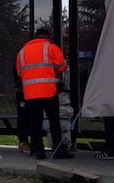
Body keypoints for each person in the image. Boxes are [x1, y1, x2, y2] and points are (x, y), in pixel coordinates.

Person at [15, 28, 72, 160]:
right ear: (47, 36)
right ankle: (59, 150)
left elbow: (19, 72)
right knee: (54, 122)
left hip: (30, 94)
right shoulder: (51, 47)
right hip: (49, 92)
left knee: (35, 122)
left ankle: (38, 151)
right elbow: (62, 66)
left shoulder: (22, 52)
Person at [13, 71, 31, 154]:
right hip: (23, 91)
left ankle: (25, 142)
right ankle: (23, 142)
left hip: (30, 90)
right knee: (23, 117)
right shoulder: (20, 59)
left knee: (29, 116)